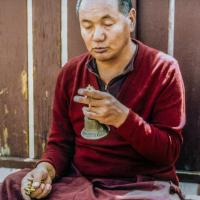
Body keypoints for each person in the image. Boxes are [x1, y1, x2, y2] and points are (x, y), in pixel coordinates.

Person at [0, 0, 186, 199]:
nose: (97, 36)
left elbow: (168, 152)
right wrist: (46, 169)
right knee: (14, 184)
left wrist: (123, 118)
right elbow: (60, 143)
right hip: (79, 179)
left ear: (130, 20)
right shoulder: (71, 73)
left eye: (107, 24)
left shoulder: (162, 69)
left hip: (139, 184)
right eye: (87, 26)